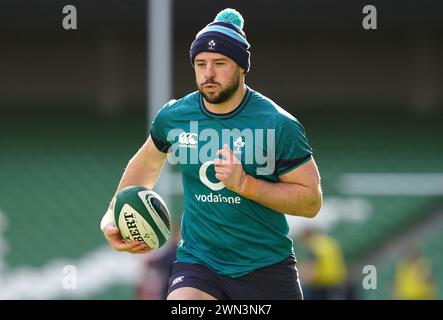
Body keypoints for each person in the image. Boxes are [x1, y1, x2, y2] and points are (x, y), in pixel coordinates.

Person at [100, 8, 322, 300]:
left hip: (266, 268)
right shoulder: (175, 116)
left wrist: (246, 185)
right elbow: (145, 167)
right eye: (201, 63)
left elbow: (310, 201)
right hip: (199, 263)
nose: (209, 74)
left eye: (220, 63)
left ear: (242, 67)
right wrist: (111, 217)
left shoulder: (278, 124)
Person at [298, 228, 348, 300]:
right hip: (337, 281)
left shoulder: (313, 245)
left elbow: (311, 268)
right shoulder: (329, 241)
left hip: (322, 284)